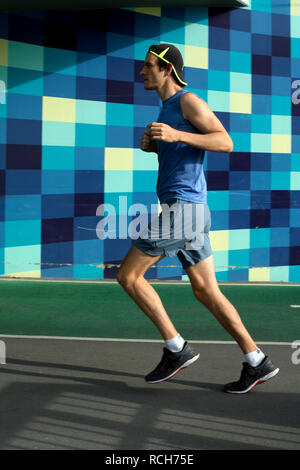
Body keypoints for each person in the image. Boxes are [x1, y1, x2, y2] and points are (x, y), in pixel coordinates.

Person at [117, 43, 279, 393]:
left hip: (183, 210)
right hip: (187, 211)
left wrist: (175, 134)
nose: (141, 71)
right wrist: (156, 145)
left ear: (167, 69)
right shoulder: (164, 110)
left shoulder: (188, 101)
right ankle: (257, 361)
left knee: (128, 276)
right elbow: (183, 151)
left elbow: (225, 141)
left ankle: (177, 349)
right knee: (207, 291)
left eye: (148, 66)